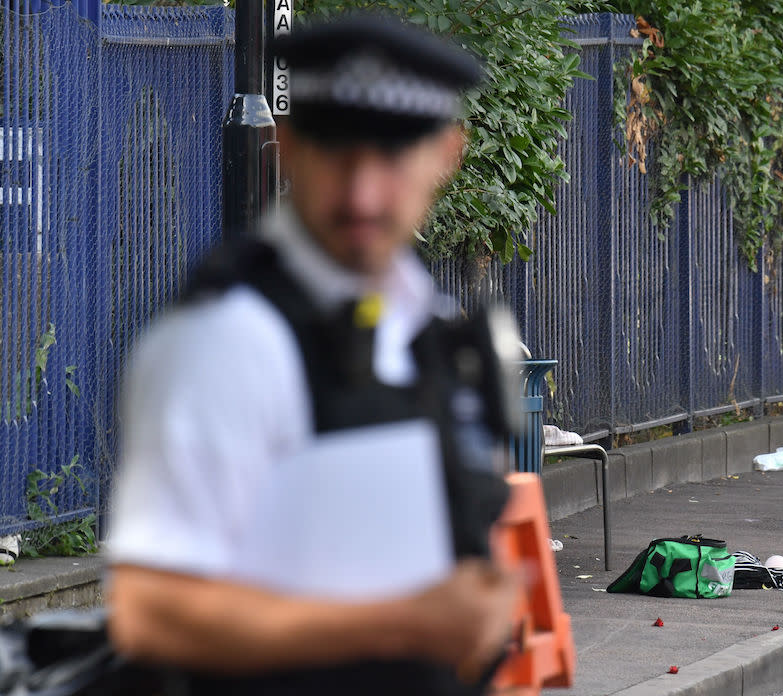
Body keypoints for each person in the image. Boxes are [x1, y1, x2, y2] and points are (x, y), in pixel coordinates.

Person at [104, 12, 524, 695]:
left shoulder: (427, 327)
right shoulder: (229, 339)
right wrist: (403, 623)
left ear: (447, 153)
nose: (361, 194)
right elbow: (152, 613)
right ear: (290, 146)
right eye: (337, 154)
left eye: (389, 158)